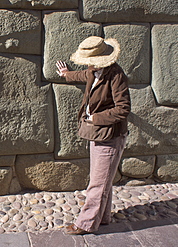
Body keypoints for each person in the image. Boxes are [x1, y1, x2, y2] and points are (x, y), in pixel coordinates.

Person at [56, 36, 131, 235]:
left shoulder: (116, 75)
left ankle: (86, 223)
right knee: (103, 179)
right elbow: (84, 75)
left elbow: (123, 109)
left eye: (91, 61)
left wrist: (96, 118)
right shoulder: (93, 69)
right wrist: (66, 74)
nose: (89, 64)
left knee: (97, 183)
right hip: (98, 133)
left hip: (110, 135)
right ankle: (103, 217)